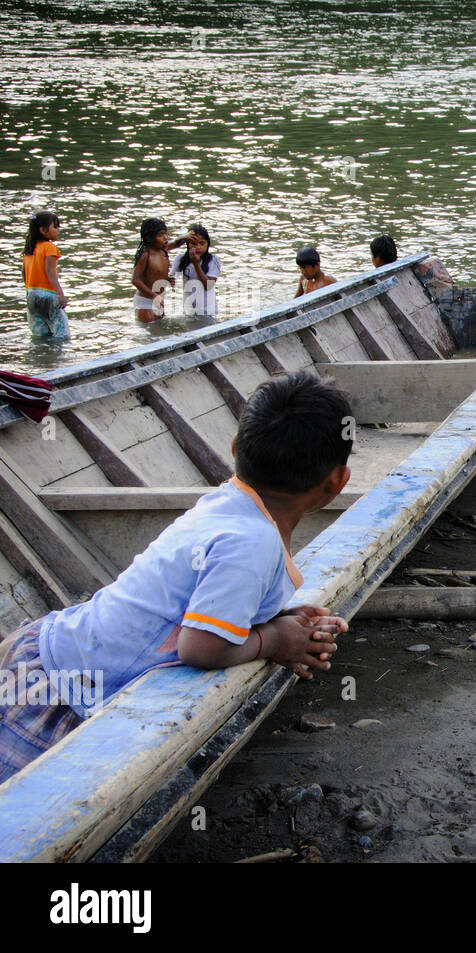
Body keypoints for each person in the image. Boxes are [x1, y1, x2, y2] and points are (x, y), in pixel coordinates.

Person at [0, 371, 353, 782]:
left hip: (55, 652)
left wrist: (274, 616)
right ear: (338, 481)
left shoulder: (229, 502)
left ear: (236, 448)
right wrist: (274, 640)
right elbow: (200, 648)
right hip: (61, 690)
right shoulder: (253, 541)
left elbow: (204, 593)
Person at [22, 210, 69, 340]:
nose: (58, 229)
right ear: (43, 230)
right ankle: (58, 359)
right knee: (62, 334)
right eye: (55, 226)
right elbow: (50, 272)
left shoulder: (29, 249)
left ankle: (41, 358)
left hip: (31, 294)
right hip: (48, 295)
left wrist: (28, 291)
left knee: (39, 335)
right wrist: (61, 295)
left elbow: (24, 272)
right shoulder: (49, 247)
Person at [170, 224, 220, 318]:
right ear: (188, 244)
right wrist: (170, 279)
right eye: (194, 243)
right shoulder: (180, 259)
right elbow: (171, 277)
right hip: (189, 310)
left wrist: (196, 264)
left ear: (207, 244)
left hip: (208, 310)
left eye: (202, 243)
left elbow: (208, 285)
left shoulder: (213, 260)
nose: (198, 247)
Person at [131, 217, 173, 321]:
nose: (165, 237)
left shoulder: (163, 252)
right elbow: (135, 280)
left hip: (158, 299)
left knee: (159, 332)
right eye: (160, 235)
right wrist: (154, 295)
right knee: (151, 332)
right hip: (145, 302)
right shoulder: (146, 254)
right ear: (150, 237)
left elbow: (154, 274)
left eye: (165, 233)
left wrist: (167, 280)